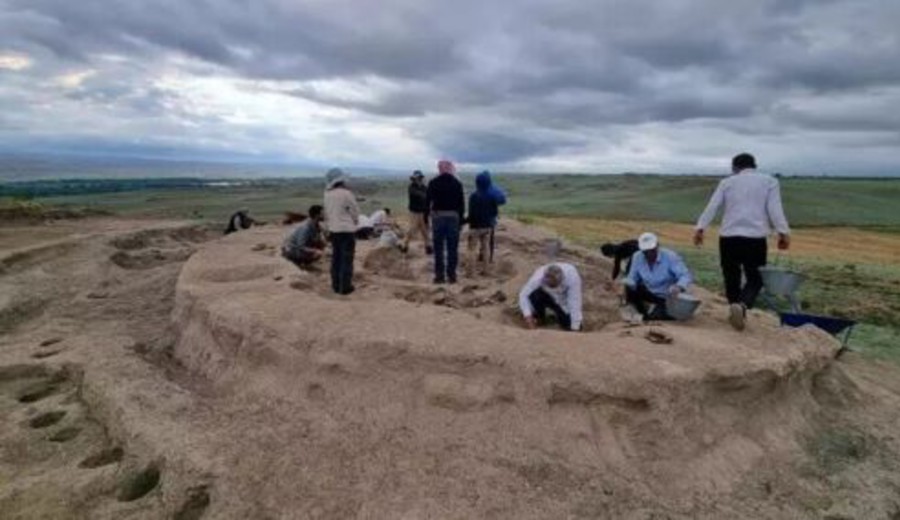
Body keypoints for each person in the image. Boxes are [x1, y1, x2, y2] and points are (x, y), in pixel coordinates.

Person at [694, 153, 791, 331]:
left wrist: (700, 229)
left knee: (731, 276)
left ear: (734, 168)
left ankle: (734, 309)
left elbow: (712, 207)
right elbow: (775, 210)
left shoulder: (727, 182)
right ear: (754, 165)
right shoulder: (769, 181)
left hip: (729, 237)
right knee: (755, 278)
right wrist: (783, 234)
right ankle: (743, 306)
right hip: (755, 239)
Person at [622, 233, 693, 321]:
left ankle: (649, 315)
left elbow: (685, 275)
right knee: (630, 287)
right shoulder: (637, 257)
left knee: (657, 316)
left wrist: (679, 286)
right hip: (649, 292)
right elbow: (632, 278)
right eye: (645, 251)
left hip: (667, 297)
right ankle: (636, 310)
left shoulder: (670, 257)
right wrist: (628, 283)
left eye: (651, 250)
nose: (649, 254)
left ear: (657, 246)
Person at [426, 160, 465, 284]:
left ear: (439, 169)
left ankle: (439, 277)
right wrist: (461, 222)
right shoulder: (457, 183)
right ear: (449, 168)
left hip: (437, 218)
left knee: (438, 248)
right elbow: (462, 204)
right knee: (452, 248)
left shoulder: (433, 182)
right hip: (453, 217)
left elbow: (427, 202)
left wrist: (426, 218)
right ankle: (452, 276)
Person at [323, 168, 359, 295]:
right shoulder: (346, 193)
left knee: (336, 258)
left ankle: (335, 285)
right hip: (347, 230)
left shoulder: (327, 194)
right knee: (347, 258)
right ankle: (345, 287)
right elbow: (355, 212)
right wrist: (355, 221)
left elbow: (327, 213)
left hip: (334, 230)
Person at [519, 263, 583, 332]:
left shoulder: (572, 278)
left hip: (562, 300)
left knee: (572, 324)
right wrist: (528, 316)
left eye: (553, 285)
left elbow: (575, 302)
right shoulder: (538, 277)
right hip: (544, 295)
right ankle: (540, 317)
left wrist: (575, 327)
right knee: (534, 293)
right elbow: (523, 294)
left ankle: (555, 317)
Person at [466, 170, 507, 273]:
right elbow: (494, 212)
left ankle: (470, 272)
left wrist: (464, 222)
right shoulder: (491, 196)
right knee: (486, 248)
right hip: (487, 226)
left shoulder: (473, 196)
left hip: (475, 226)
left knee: (471, 249)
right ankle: (486, 270)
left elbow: (471, 213)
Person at [402, 171, 432, 254]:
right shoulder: (412, 187)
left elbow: (427, 198)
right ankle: (405, 245)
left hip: (423, 212)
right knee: (412, 229)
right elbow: (422, 195)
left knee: (425, 230)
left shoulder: (424, 188)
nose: (418, 180)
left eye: (419, 178)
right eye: (417, 178)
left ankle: (428, 246)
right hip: (414, 212)